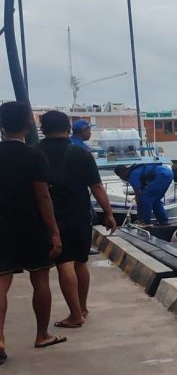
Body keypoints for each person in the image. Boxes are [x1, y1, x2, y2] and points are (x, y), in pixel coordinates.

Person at [37, 110, 117, 328]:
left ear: (43, 129)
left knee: (64, 263)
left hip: (52, 216)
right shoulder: (80, 153)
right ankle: (82, 307)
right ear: (68, 129)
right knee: (81, 262)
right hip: (81, 213)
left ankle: (75, 315)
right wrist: (108, 213)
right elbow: (97, 186)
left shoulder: (36, 152)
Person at [0, 101, 65, 363]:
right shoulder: (34, 155)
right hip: (32, 225)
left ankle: (0, 341)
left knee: (1, 284)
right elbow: (43, 197)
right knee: (40, 281)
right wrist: (55, 232)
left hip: (1, 227)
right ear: (28, 124)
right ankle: (42, 335)